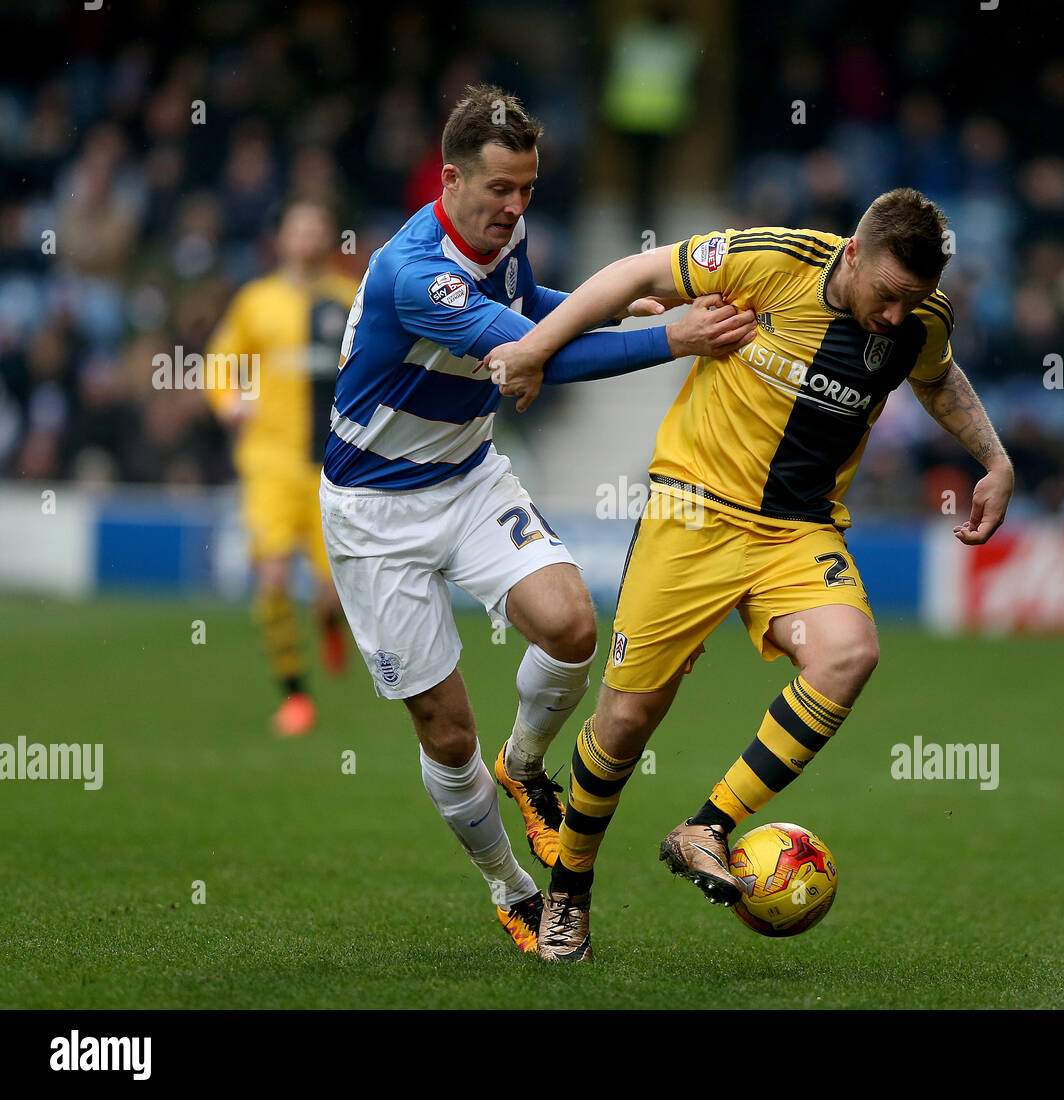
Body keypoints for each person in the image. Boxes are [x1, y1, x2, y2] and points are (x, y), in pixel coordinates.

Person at [489, 188, 1015, 961]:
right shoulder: (772, 260)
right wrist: (535, 348)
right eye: (889, 295)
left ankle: (707, 824)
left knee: (850, 653)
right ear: (854, 254)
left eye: (915, 300)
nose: (898, 315)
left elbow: (936, 376)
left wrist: (994, 459)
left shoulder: (919, 322)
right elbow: (631, 274)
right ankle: (569, 888)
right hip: (693, 513)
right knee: (626, 724)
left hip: (797, 534)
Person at [318, 85, 755, 952]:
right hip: (376, 515)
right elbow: (525, 354)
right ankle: (511, 887)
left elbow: (529, 306)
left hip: (469, 475)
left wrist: (599, 305)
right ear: (449, 179)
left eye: (527, 190)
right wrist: (670, 338)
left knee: (569, 624)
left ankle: (526, 766)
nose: (515, 209)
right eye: (499, 191)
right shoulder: (417, 274)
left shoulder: (502, 236)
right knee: (447, 733)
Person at [206, 199, 357, 737]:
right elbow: (222, 360)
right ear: (283, 238)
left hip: (330, 467)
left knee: (334, 591)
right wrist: (228, 402)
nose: (309, 237)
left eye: (318, 228)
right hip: (269, 462)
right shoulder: (257, 301)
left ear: (327, 238)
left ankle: (329, 622)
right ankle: (295, 696)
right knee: (271, 577)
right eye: (300, 227)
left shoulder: (348, 299)